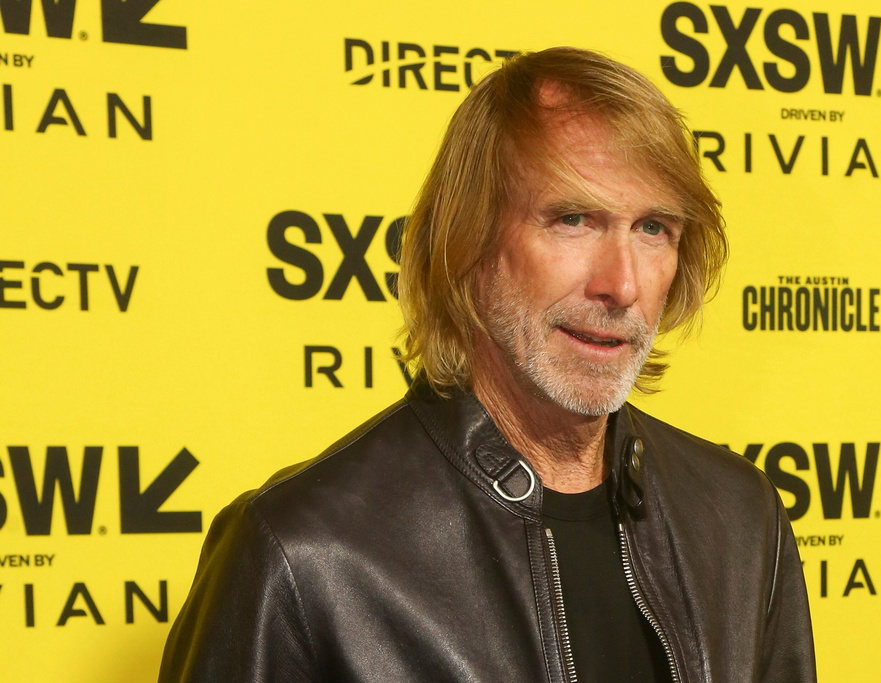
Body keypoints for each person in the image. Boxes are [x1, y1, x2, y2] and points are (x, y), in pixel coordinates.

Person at [160, 47, 815, 682]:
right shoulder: (304, 556)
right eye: (573, 218)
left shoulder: (741, 518)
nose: (621, 285)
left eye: (653, 228)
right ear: (466, 239)